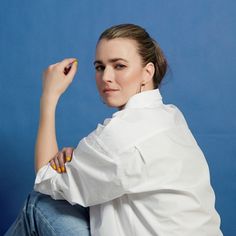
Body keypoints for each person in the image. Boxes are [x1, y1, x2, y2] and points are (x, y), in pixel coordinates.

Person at [5, 24, 223, 236]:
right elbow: (117, 174)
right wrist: (78, 164)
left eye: (119, 65)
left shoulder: (121, 134)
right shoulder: (170, 116)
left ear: (147, 72)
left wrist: (49, 96)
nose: (106, 77)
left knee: (38, 205)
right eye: (100, 67)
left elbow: (45, 179)